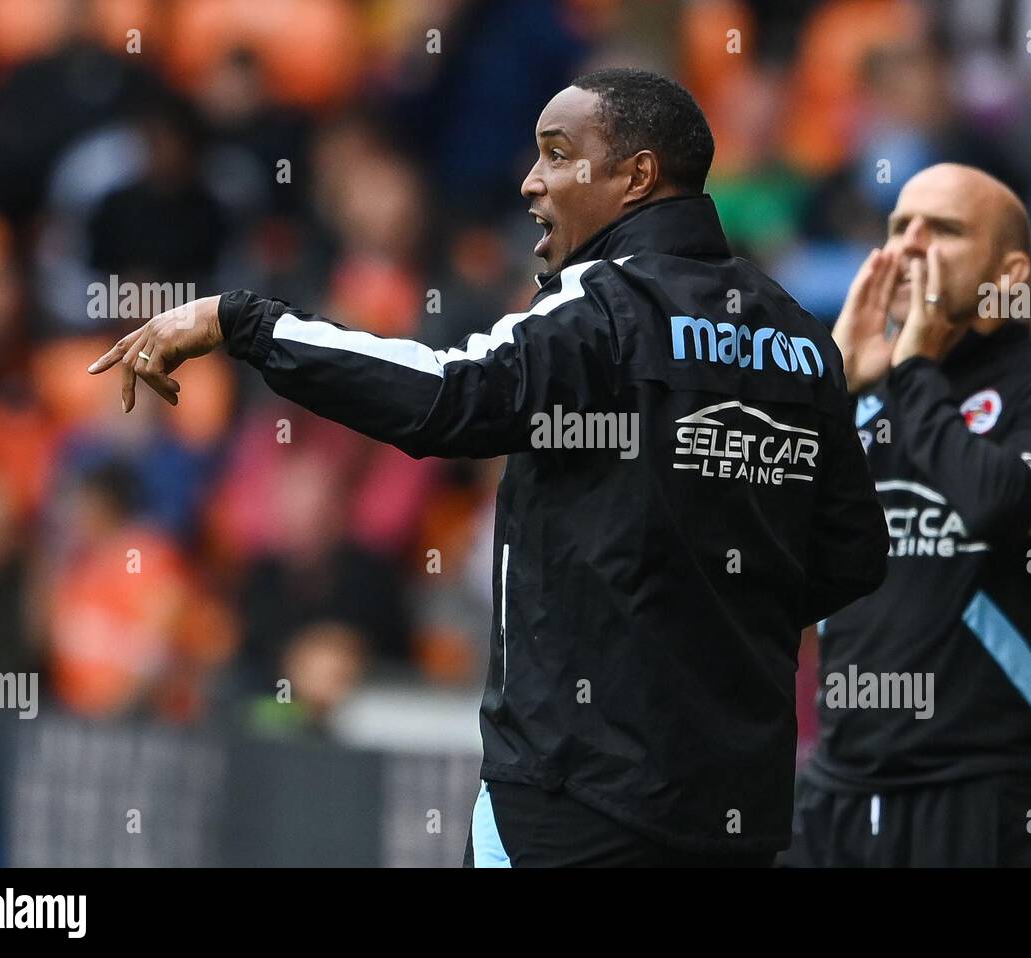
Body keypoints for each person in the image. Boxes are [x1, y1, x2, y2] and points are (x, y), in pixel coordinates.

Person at [88, 69, 888, 867]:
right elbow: (852, 553)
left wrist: (244, 321)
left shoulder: (602, 307)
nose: (530, 182)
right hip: (734, 808)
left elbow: (448, 396)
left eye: (557, 155)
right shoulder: (795, 336)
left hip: (577, 797)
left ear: (636, 177)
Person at [784, 163, 1031, 867]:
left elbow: (995, 501)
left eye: (945, 230)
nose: (910, 245)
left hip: (989, 792)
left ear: (1009, 273)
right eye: (900, 226)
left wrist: (914, 375)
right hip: (838, 787)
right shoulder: (855, 391)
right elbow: (759, 545)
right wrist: (830, 390)